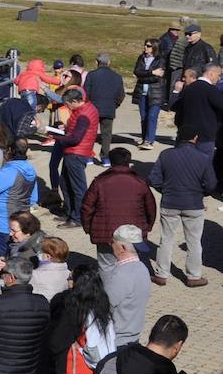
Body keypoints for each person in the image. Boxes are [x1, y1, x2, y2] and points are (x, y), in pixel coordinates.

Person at [148, 127, 215, 287]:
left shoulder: (165, 155)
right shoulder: (203, 157)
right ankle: (193, 276)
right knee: (194, 241)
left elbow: (153, 179)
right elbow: (211, 184)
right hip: (194, 204)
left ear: (178, 137)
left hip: (170, 202)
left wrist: (164, 190)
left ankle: (161, 274)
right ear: (195, 138)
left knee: (166, 239)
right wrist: (200, 193)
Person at [82, 147, 156, 269]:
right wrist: (147, 226)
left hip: (105, 232)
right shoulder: (140, 182)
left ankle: (110, 287)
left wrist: (89, 227)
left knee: (107, 266)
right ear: (129, 162)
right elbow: (151, 207)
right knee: (132, 266)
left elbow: (87, 207)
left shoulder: (99, 182)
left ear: (111, 162)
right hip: (133, 233)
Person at [0, 138, 38, 257]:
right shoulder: (31, 170)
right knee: (21, 259)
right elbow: (33, 199)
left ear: (10, 151)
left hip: (5, 226)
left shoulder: (9, 172)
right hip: (23, 223)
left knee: (4, 263)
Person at [53, 88, 99, 229]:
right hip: (76, 152)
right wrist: (65, 129)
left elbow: (75, 138)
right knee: (65, 183)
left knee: (77, 187)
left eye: (67, 104)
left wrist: (57, 138)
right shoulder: (86, 109)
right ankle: (69, 211)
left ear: (74, 101)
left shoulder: (83, 115)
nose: (66, 106)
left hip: (76, 153)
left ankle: (78, 217)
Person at [100, 225, 153, 349]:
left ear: (122, 247)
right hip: (133, 336)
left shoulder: (121, 275)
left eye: (113, 242)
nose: (111, 245)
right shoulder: (142, 269)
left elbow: (103, 306)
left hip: (117, 341)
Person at [169, 61, 223, 157]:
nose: (219, 78)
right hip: (205, 137)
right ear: (211, 74)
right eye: (219, 75)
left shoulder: (188, 89)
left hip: (186, 135)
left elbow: (176, 108)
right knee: (204, 167)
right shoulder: (211, 90)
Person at [83, 53, 125, 164]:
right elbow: (121, 95)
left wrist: (87, 105)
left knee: (91, 132)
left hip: (93, 108)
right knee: (106, 134)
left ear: (96, 62)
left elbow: (86, 94)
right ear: (109, 63)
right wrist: (115, 105)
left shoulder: (91, 75)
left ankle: (88, 156)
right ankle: (105, 158)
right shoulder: (117, 77)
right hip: (109, 108)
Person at [132, 38, 168, 147]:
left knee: (152, 116)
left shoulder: (161, 60)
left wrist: (143, 76)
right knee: (143, 117)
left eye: (148, 46)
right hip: (142, 92)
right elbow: (137, 71)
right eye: (145, 45)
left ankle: (149, 141)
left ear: (154, 47)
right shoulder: (141, 58)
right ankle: (144, 139)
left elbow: (157, 78)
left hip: (156, 93)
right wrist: (151, 72)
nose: (145, 47)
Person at [33, 236, 72, 301]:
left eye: (40, 252)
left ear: (47, 256)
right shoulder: (69, 273)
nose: (38, 254)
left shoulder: (35, 275)